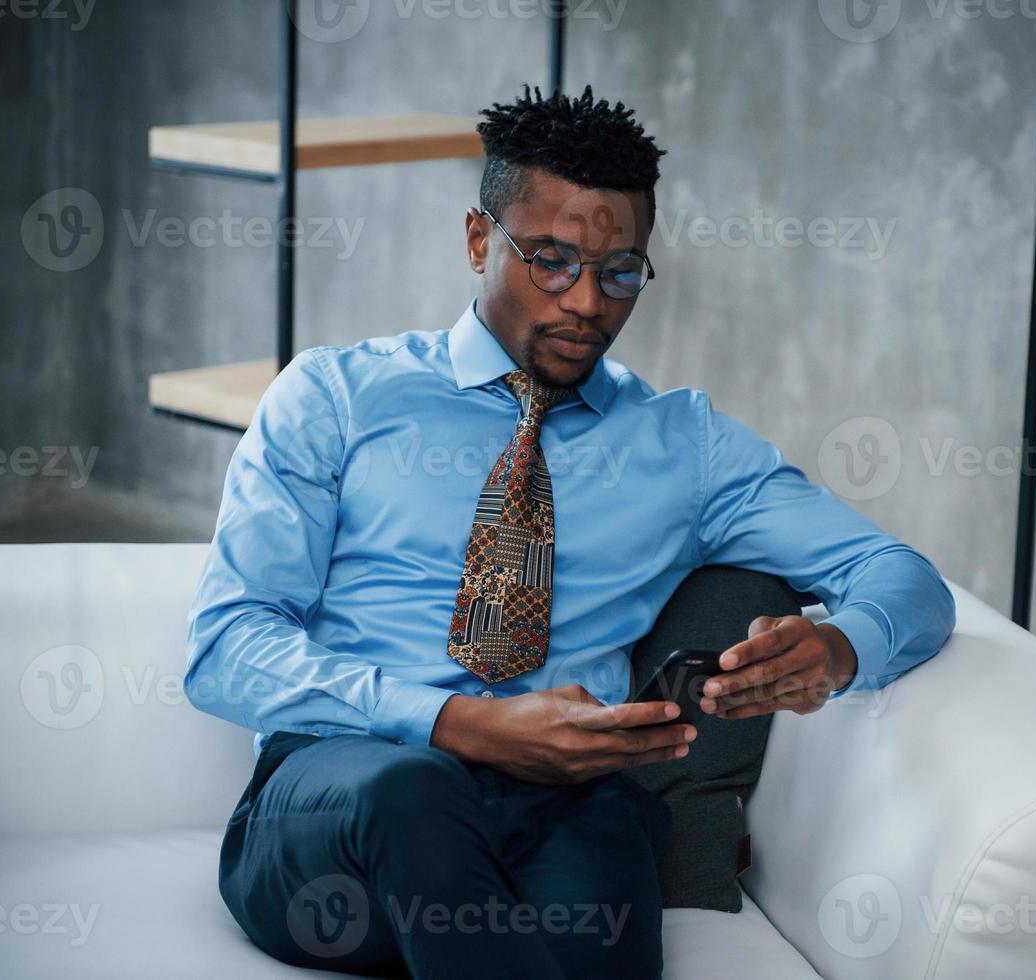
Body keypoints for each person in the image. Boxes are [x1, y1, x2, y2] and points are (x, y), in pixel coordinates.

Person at [184, 84, 955, 979]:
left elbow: (904, 576)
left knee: (604, 873)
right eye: (550, 261)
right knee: (414, 790)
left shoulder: (683, 446)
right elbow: (227, 646)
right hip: (341, 801)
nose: (587, 301)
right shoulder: (335, 398)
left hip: (561, 804)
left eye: (620, 270)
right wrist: (460, 723)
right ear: (480, 240)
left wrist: (837, 647)